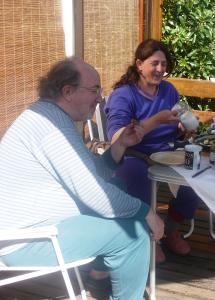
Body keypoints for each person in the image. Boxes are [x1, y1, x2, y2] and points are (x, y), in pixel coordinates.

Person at [0, 57, 167, 300]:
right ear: (68, 91)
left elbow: (94, 175)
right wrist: (147, 212)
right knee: (134, 234)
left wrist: (120, 144)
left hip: (42, 222)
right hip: (26, 240)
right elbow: (96, 195)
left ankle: (99, 272)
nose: (100, 98)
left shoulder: (53, 116)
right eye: (94, 90)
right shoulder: (51, 128)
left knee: (118, 186)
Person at [105, 39, 201, 263]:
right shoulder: (124, 95)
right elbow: (117, 137)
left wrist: (180, 131)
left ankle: (170, 229)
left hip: (167, 151)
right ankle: (150, 238)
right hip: (135, 153)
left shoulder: (168, 90)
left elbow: (174, 124)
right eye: (154, 63)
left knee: (195, 174)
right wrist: (156, 120)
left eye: (163, 64)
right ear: (139, 64)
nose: (160, 70)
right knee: (136, 176)